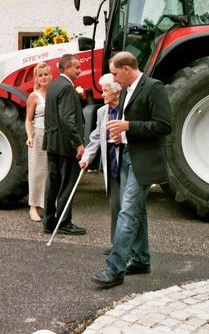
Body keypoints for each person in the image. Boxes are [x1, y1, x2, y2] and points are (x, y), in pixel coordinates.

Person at [91, 51, 172, 288]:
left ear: (127, 69)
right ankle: (141, 259)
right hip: (127, 154)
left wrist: (128, 126)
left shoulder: (154, 87)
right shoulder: (126, 90)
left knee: (127, 212)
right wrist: (122, 136)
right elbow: (133, 126)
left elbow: (164, 125)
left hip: (144, 160)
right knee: (138, 211)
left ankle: (115, 270)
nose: (114, 80)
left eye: (115, 74)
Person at [42, 54, 86, 235]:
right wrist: (78, 143)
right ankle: (64, 222)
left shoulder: (53, 85)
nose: (79, 71)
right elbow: (67, 119)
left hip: (52, 141)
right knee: (68, 183)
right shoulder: (67, 87)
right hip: (65, 143)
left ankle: (49, 221)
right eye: (76, 67)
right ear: (66, 68)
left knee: (53, 182)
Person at [79, 74, 122, 254]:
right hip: (110, 162)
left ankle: (128, 247)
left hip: (125, 161)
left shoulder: (127, 108)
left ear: (115, 92)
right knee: (115, 206)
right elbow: (96, 137)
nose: (102, 94)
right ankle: (116, 245)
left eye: (105, 90)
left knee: (127, 207)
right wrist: (87, 157)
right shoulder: (102, 111)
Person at [25, 62, 52, 222]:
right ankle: (33, 207)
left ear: (51, 76)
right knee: (37, 170)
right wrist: (29, 136)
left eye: (46, 74)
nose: (43, 77)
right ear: (36, 78)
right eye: (40, 75)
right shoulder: (34, 96)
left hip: (52, 135)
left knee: (50, 170)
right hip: (38, 135)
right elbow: (28, 120)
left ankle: (47, 203)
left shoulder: (55, 94)